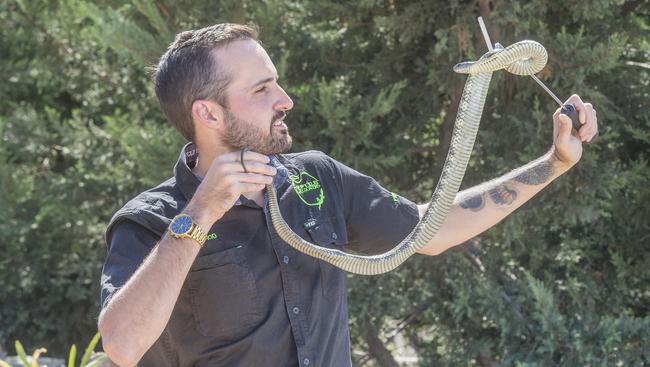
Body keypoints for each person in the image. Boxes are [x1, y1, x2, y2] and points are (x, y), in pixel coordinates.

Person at [97, 23, 598, 367]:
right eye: (261, 89)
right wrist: (202, 211)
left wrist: (554, 164)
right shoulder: (151, 221)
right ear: (208, 114)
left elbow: (433, 229)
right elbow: (121, 344)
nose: (285, 100)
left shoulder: (315, 180)